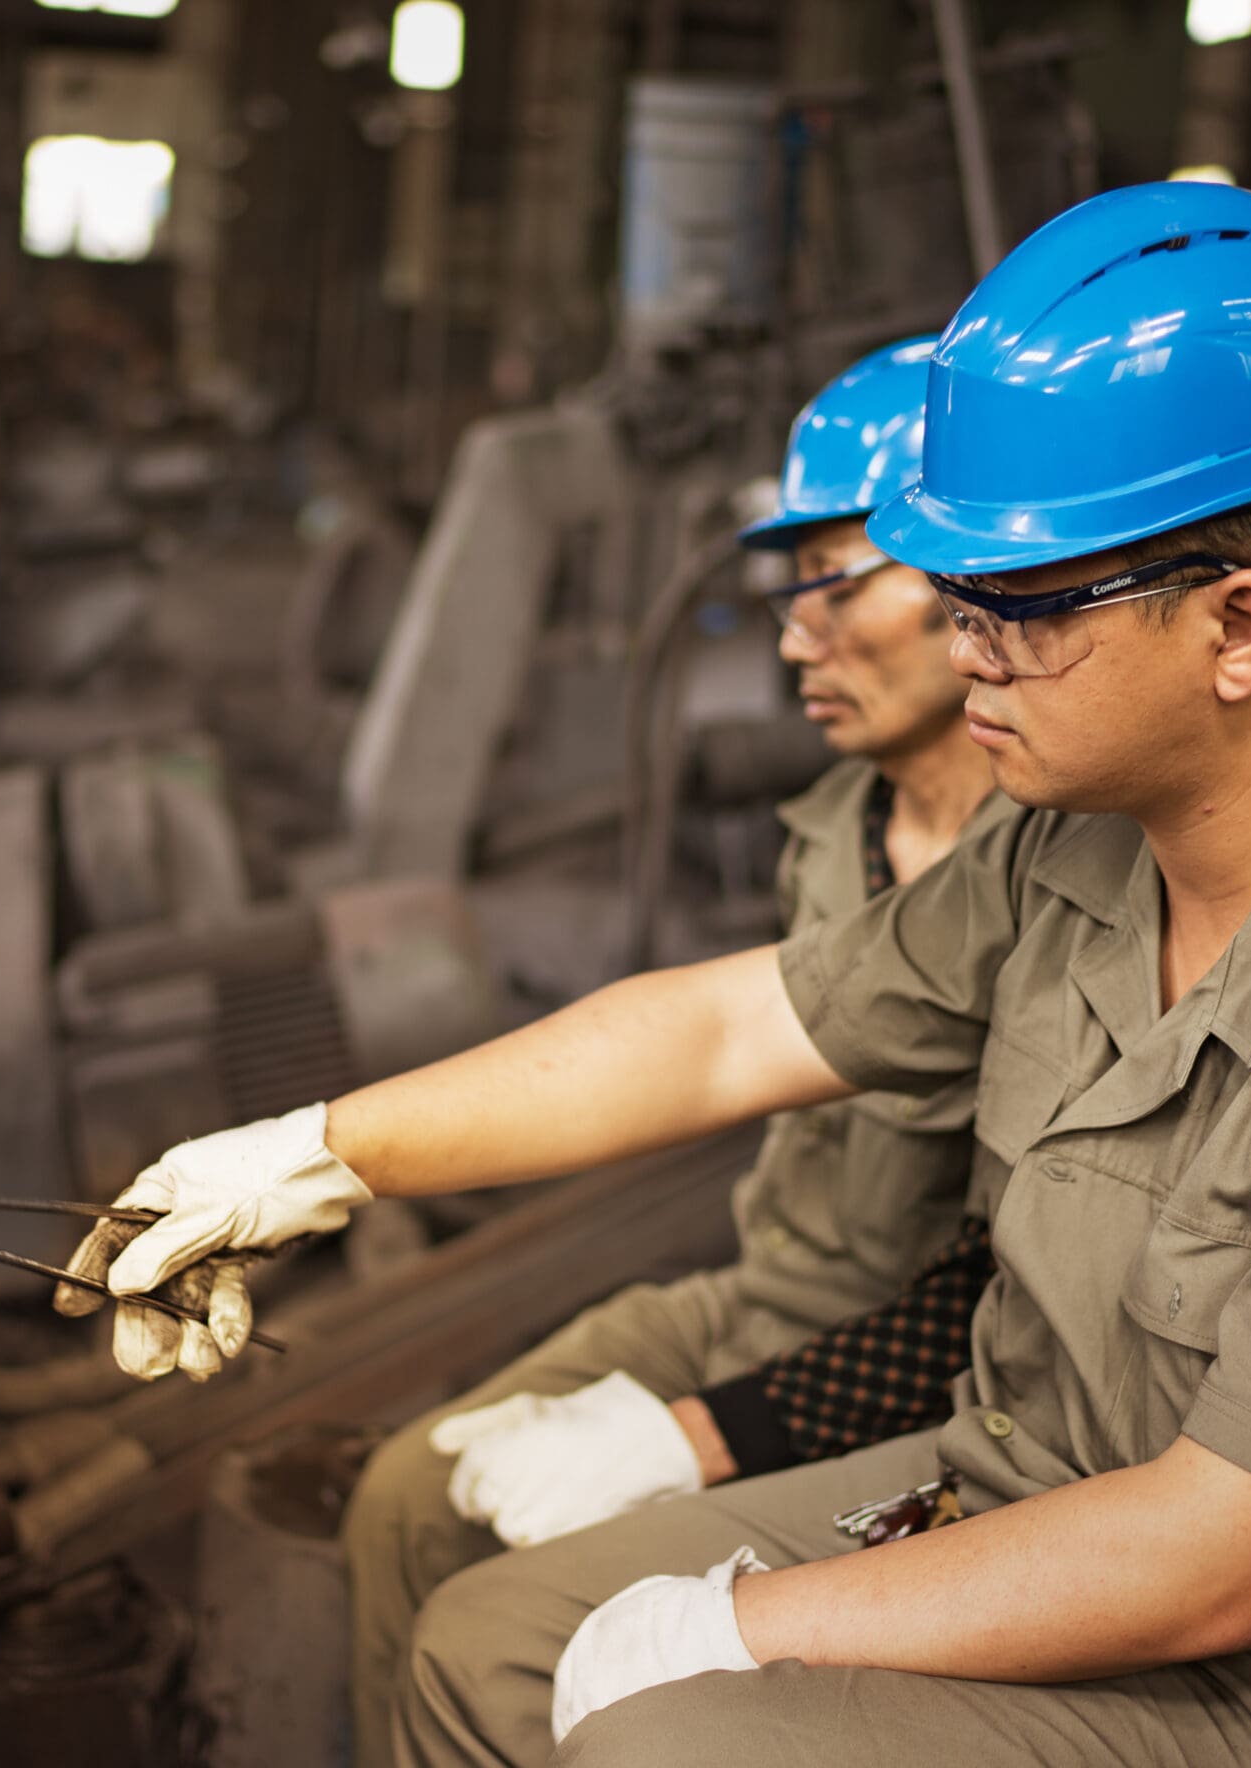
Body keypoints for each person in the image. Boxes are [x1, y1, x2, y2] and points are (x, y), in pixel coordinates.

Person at [66, 183, 1251, 1767]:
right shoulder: (1076, 836)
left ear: (1243, 625)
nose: (963, 643)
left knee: (674, 1726)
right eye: (957, 590)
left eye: (1022, 603)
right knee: (488, 1641)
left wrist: (751, 1621)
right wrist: (315, 1152)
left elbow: (1226, 1553)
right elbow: (727, 1029)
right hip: (1027, 1475)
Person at [332, 337, 1001, 1768]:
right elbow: (706, 1042)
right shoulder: (832, 826)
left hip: (910, 1371)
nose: (793, 636)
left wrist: (694, 1435)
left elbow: (1003, 1299)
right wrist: (322, 1155)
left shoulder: (1051, 875)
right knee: (409, 1493)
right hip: (762, 1295)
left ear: (976, 570)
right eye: (788, 587)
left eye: (836, 579)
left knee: (516, 1635)